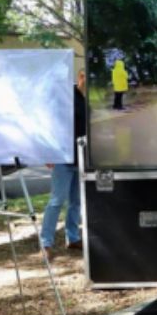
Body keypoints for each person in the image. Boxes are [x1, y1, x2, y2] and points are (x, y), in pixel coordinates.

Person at [40, 69, 88, 260]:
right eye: (83, 76)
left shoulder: (91, 99)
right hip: (63, 156)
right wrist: (49, 152)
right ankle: (45, 243)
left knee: (76, 201)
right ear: (79, 77)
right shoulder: (67, 96)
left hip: (82, 157)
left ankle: (73, 237)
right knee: (56, 201)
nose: (86, 81)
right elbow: (52, 123)